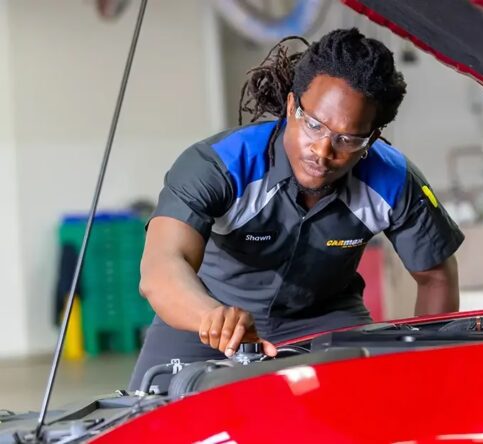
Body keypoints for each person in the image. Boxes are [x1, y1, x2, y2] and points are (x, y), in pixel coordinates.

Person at [128, 29, 463, 391]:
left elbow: (436, 276)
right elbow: (161, 267)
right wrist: (210, 316)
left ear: (372, 137)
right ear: (291, 107)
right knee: (148, 410)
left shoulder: (393, 181)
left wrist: (430, 371)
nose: (322, 150)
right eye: (314, 125)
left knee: (371, 406)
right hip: (211, 316)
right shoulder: (220, 165)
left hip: (326, 317)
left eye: (347, 139)